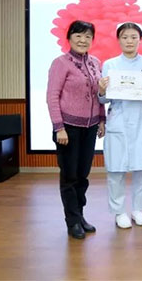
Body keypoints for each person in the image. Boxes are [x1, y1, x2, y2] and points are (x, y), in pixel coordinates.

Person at [46, 20, 105, 239]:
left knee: (83, 175)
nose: (83, 40)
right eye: (78, 35)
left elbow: (99, 94)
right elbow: (52, 96)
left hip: (90, 127)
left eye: (88, 36)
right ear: (69, 38)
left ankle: (80, 216)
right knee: (69, 176)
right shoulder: (61, 63)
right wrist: (59, 127)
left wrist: (102, 119)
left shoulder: (96, 62)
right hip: (68, 129)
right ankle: (72, 221)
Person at [98, 22, 142, 229]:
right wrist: (102, 90)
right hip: (119, 120)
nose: (129, 41)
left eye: (133, 37)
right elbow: (103, 99)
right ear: (118, 40)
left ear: (140, 39)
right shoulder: (110, 64)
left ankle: (138, 209)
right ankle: (119, 211)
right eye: (125, 37)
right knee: (116, 168)